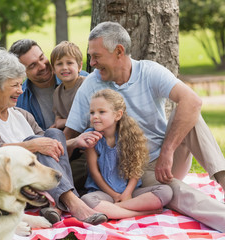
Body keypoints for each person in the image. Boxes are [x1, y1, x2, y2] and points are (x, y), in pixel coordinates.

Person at [64, 21, 225, 232]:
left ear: (119, 51)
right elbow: (68, 137)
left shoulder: (149, 71)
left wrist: (167, 152)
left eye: (96, 56)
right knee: (179, 192)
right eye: (90, 56)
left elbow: (193, 101)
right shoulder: (91, 86)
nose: (92, 63)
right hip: (136, 172)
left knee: (190, 111)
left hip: (166, 161)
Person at [0, 48, 107, 225]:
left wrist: (74, 142)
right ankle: (72, 201)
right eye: (14, 85)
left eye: (20, 84)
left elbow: (49, 147)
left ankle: (55, 205)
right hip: (3, 189)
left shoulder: (22, 115)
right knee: (35, 141)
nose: (20, 90)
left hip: (34, 187)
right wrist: (32, 146)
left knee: (54, 134)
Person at [80, 89, 173, 219]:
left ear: (117, 115)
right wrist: (114, 195)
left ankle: (114, 210)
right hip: (104, 193)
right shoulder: (92, 138)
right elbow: (95, 173)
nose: (95, 116)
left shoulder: (129, 136)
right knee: (86, 201)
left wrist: (126, 194)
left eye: (101, 112)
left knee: (165, 192)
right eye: (92, 112)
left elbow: (136, 168)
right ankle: (139, 213)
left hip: (130, 193)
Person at [8, 39, 88, 130]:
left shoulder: (82, 80)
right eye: (33, 65)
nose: (42, 66)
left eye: (41, 58)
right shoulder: (19, 100)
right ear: (22, 73)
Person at [50, 41, 86, 130]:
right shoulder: (57, 92)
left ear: (79, 66)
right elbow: (58, 119)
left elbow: (87, 117)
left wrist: (64, 122)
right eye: (59, 64)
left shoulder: (85, 86)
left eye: (69, 63)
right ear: (53, 69)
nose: (64, 67)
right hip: (69, 132)